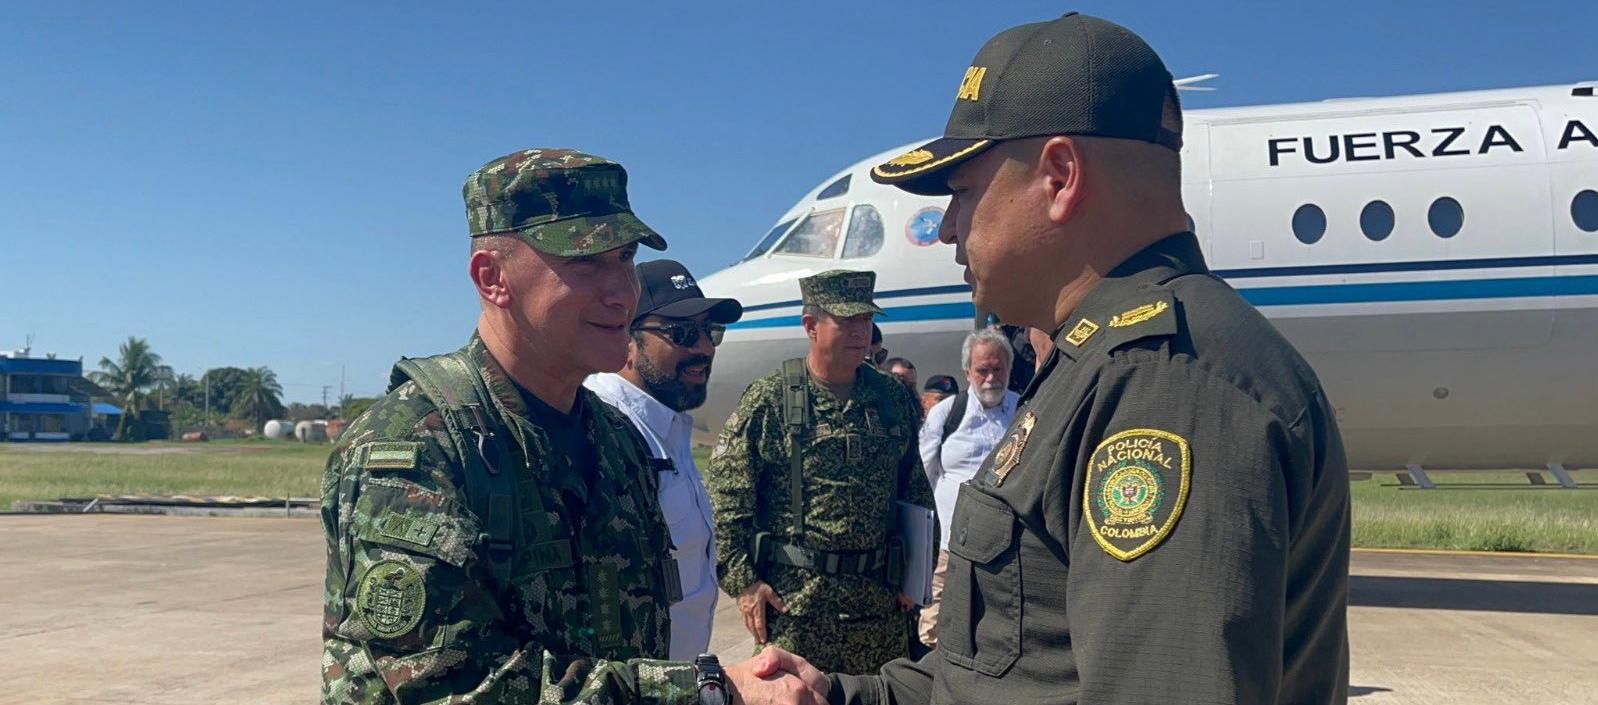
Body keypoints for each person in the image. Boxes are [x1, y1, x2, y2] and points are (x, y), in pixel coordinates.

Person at [826, 13, 1352, 704]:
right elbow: (1017, 666)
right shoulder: (1098, 365)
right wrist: (838, 695)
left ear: (1061, 175)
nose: (950, 227)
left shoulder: (1163, 386)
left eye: (963, 191)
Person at [320, 147, 824, 705]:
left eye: (625, 257)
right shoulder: (416, 446)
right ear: (492, 279)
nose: (622, 290)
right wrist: (707, 692)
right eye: (586, 263)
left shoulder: (616, 441)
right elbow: (445, 684)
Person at [706, 270, 936, 675]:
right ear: (810, 325)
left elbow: (914, 489)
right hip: (799, 611)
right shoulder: (771, 400)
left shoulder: (891, 398)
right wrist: (743, 582)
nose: (859, 332)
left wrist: (916, 576)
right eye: (846, 321)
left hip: (878, 610)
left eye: (865, 320)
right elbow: (727, 498)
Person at [584, 258, 742, 659]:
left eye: (711, 331)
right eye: (682, 332)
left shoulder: (666, 425)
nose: (703, 348)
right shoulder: (599, 428)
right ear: (628, 342)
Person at [913, 328, 1018, 649]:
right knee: (933, 629)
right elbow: (924, 478)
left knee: (997, 628)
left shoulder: (1025, 411)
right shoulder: (947, 414)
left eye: (997, 369)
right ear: (968, 373)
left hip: (1007, 550)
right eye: (982, 370)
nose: (990, 378)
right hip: (949, 547)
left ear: (1009, 369)